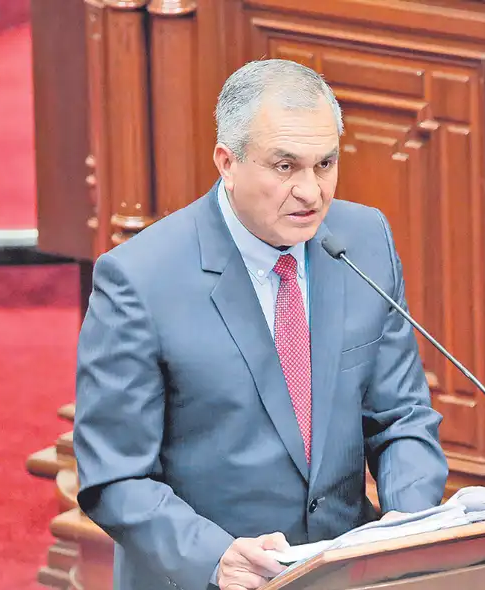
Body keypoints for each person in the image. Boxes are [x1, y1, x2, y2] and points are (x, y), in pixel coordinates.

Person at [74, 59, 449, 590]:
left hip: (345, 572)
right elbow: (115, 476)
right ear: (227, 162)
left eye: (324, 164)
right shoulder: (138, 280)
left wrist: (407, 527)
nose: (311, 192)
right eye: (284, 166)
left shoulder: (362, 240)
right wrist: (214, 557)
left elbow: (401, 416)